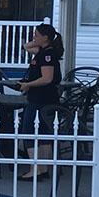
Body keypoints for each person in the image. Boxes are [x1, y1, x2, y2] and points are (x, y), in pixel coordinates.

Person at [17, 23, 64, 179]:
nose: (33, 37)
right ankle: (43, 168)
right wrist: (36, 41)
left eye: (36, 34)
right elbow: (26, 46)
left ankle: (35, 169)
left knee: (28, 131)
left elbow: (47, 78)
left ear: (45, 38)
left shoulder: (47, 55)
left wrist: (27, 85)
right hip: (43, 97)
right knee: (43, 131)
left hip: (41, 98)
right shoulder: (42, 51)